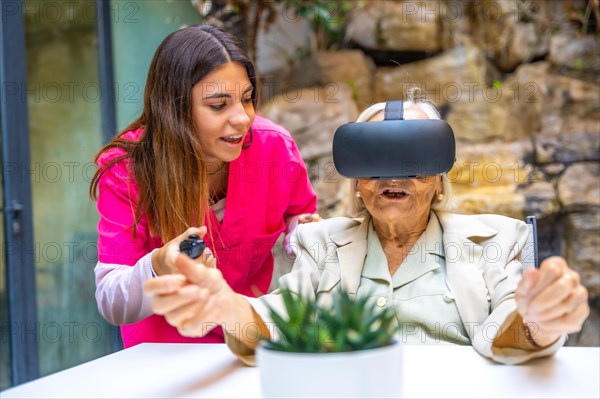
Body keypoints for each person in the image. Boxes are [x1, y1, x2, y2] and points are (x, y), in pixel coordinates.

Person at [143, 98, 589, 365]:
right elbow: (281, 322)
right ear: (357, 183)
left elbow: (513, 324)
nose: (393, 178)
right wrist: (227, 306)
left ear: (437, 180)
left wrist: (540, 320)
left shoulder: (495, 241)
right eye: (375, 162)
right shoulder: (322, 246)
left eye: (413, 162)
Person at [90, 24, 320, 347]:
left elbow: (299, 218)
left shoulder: (274, 149)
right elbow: (110, 301)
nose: (242, 118)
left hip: (245, 345)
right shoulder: (127, 171)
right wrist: (159, 266)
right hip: (162, 363)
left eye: (247, 99)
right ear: (176, 110)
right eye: (218, 105)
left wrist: (305, 233)